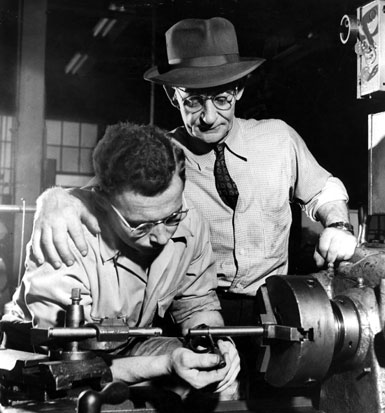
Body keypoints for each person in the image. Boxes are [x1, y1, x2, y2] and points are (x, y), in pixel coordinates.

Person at [29, 17, 357, 327]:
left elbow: (323, 190)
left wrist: (338, 225)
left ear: (240, 89)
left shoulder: (279, 139)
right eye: (194, 102)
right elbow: (96, 198)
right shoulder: (160, 156)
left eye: (222, 99)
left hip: (276, 306)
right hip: (192, 312)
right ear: (174, 96)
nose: (209, 117)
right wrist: (53, 200)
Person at [1, 122, 240, 397]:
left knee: (217, 382)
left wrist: (216, 343)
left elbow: (196, 305)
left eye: (172, 217)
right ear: (103, 202)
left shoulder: (191, 221)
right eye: (140, 225)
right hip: (43, 364)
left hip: (130, 346)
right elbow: (66, 369)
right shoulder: (65, 240)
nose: (161, 237)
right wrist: (165, 364)